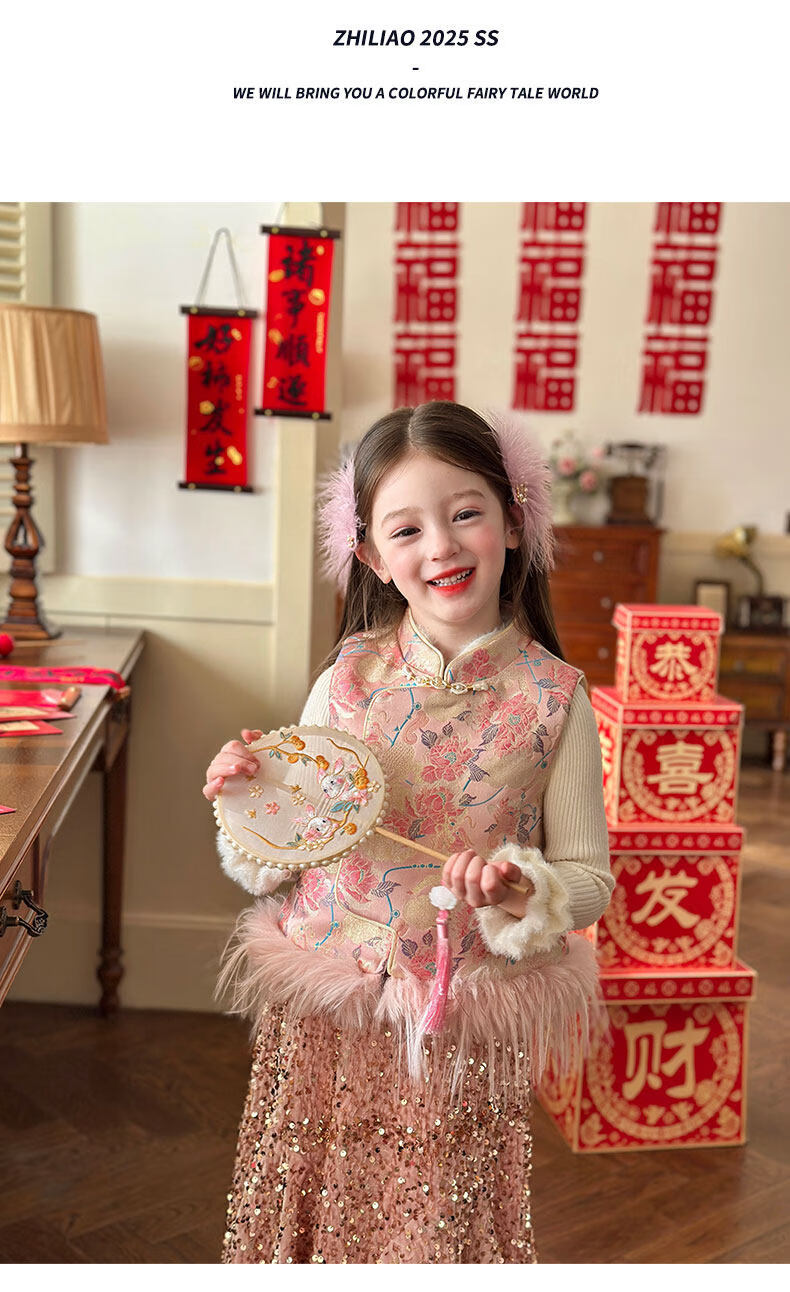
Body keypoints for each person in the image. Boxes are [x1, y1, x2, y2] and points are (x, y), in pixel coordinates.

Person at [204, 401, 613, 1264]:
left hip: (457, 1017)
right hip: (329, 1004)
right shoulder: (345, 678)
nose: (441, 547)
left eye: (465, 513)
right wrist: (249, 797)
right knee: (315, 1202)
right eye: (406, 529)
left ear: (514, 519)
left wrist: (523, 889)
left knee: (434, 1222)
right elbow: (287, 843)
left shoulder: (557, 700)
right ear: (371, 556)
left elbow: (589, 877)